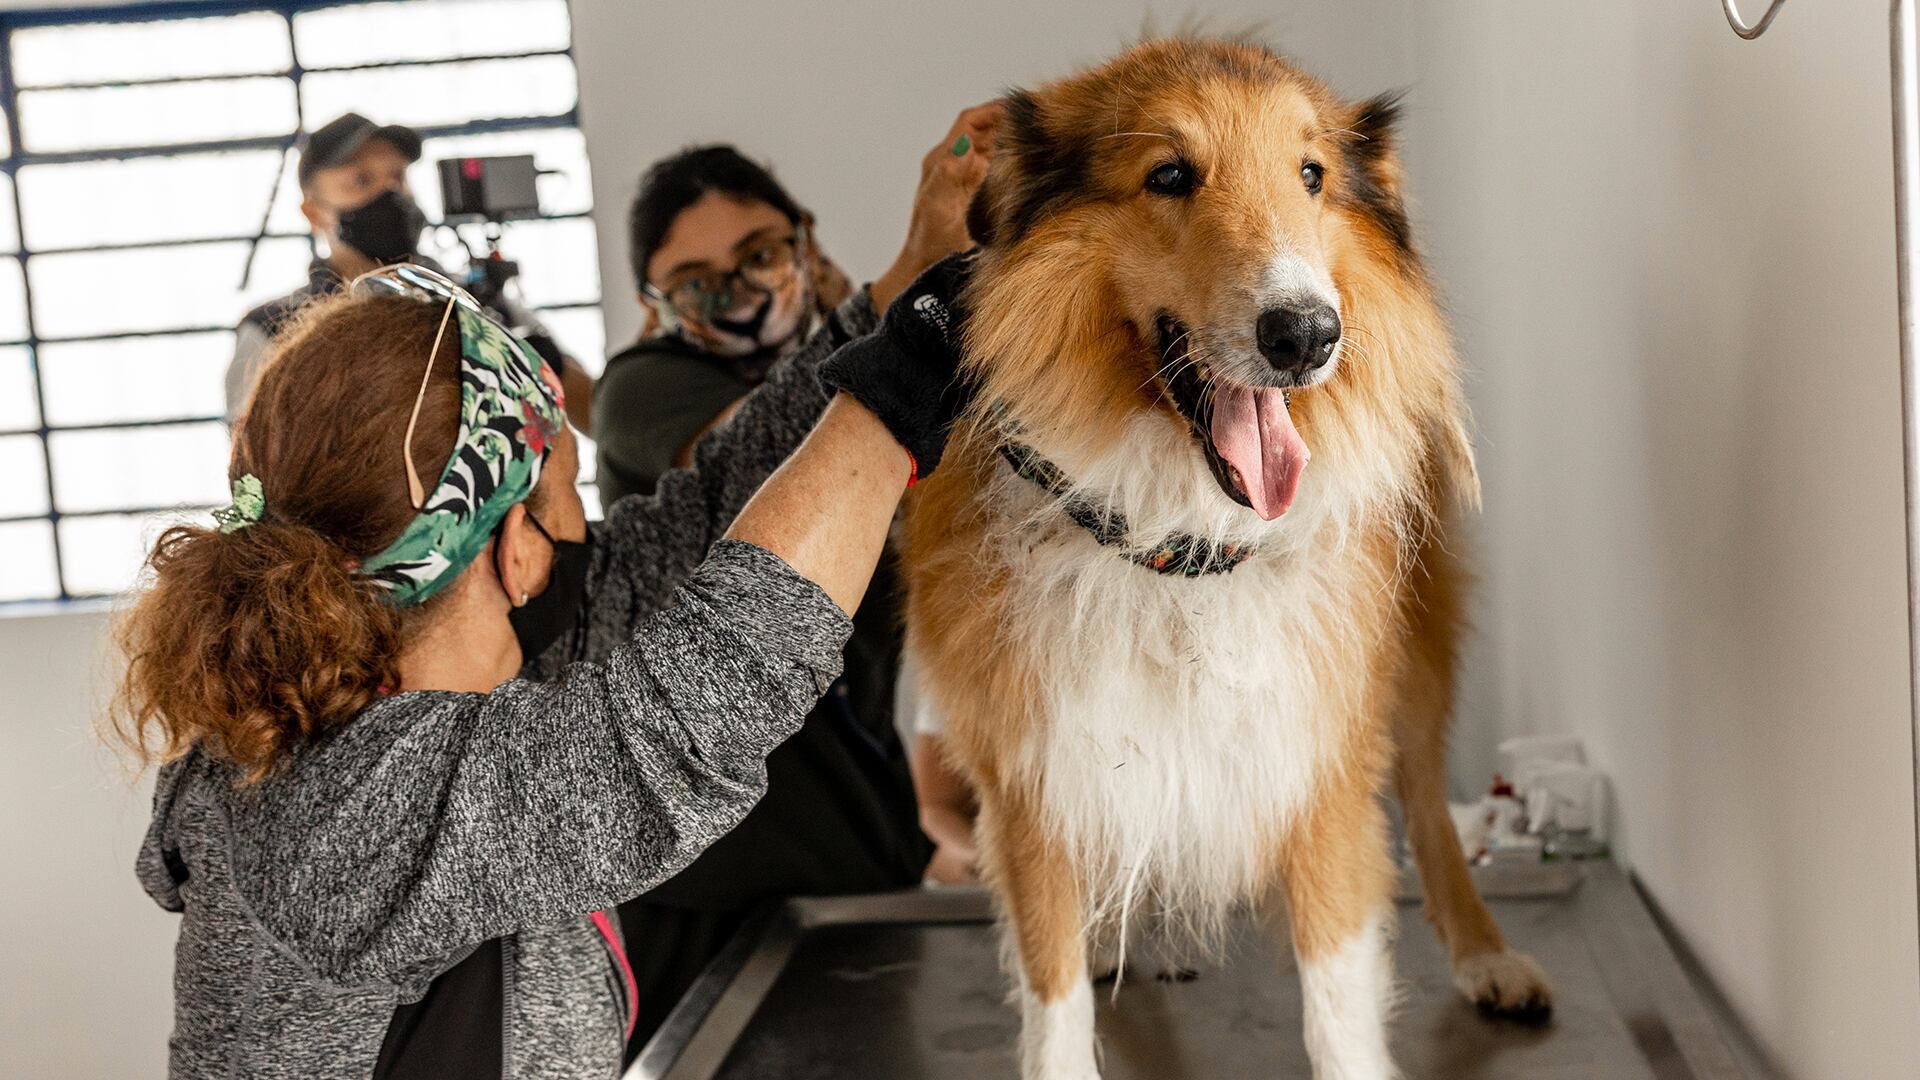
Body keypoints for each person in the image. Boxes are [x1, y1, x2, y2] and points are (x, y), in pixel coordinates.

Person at [589, 110, 998, 1052]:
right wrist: (911, 282)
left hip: (852, 862)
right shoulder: (644, 388)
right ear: (655, 302)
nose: (736, 293)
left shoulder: (899, 382)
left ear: (803, 242)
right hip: (703, 882)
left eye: (759, 252)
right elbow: (774, 456)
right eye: (696, 282)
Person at [224, 112, 596, 432]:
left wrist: (528, 355)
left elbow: (595, 417)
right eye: (362, 180)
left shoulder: (479, 303)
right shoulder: (272, 329)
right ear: (313, 211)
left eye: (398, 177)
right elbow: (254, 469)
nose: (390, 193)